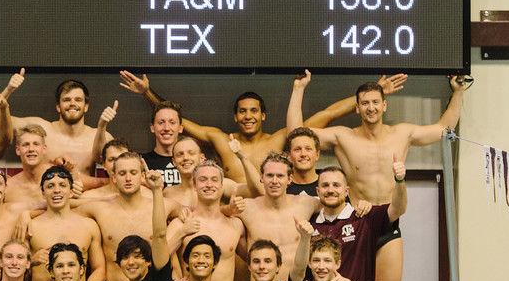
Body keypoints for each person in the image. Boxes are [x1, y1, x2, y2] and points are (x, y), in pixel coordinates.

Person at [289, 70, 467, 281]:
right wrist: (299, 89)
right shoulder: (344, 136)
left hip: (385, 224)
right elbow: (297, 133)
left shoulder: (403, 133)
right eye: (364, 103)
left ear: (385, 105)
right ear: (356, 107)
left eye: (375, 102)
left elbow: (443, 129)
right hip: (354, 224)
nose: (370, 108)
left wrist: (457, 92)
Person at [119, 70, 406, 182]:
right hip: (232, 211)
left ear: (263, 116)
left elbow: (326, 115)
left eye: (254, 111)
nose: (248, 116)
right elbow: (176, 120)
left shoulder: (281, 139)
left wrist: (370, 95)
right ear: (235, 117)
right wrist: (147, 92)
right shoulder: (220, 139)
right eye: (242, 112)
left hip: (271, 208)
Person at [0, 71, 110, 177]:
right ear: (58, 107)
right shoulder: (41, 129)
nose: (72, 103)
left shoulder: (98, 136)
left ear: (86, 106)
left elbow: (121, 168)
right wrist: (8, 90)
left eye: (78, 100)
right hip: (45, 203)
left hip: (83, 202)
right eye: (66, 100)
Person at [78, 153, 171, 281]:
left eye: (133, 173)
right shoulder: (99, 209)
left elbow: (192, 213)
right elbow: (63, 210)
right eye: (122, 173)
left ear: (142, 176)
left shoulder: (162, 206)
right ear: (114, 177)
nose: (128, 178)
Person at [238, 153, 320, 281]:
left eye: (280, 176)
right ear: (261, 177)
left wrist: (362, 204)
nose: (274, 181)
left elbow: (334, 205)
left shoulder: (306, 203)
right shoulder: (247, 208)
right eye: (270, 175)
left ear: (289, 179)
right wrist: (227, 208)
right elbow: (217, 214)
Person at [167, 159, 245, 281]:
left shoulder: (236, 225)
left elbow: (253, 260)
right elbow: (159, 259)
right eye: (203, 180)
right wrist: (175, 278)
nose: (209, 184)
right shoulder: (180, 223)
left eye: (214, 180)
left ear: (221, 186)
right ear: (195, 185)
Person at [25, 165, 105, 281]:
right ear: (43, 193)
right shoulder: (30, 226)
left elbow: (99, 268)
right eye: (50, 186)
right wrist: (31, 261)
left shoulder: (88, 226)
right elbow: (15, 266)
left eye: (62, 185)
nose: (57, 190)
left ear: (71, 191)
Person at [162, 134, 263, 215]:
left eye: (191, 153)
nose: (185, 158)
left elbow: (257, 192)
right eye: (180, 154)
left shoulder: (220, 185)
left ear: (202, 158)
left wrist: (242, 156)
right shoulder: (167, 194)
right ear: (174, 162)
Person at [3, 124, 53, 206]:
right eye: (26, 145)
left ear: (44, 149)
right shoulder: (8, 188)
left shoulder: (61, 179)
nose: (31, 149)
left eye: (36, 144)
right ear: (18, 150)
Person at [284, 127, 322, 197]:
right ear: (288, 156)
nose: (303, 154)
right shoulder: (281, 186)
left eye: (308, 149)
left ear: (317, 154)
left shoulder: (329, 183)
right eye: (297, 149)